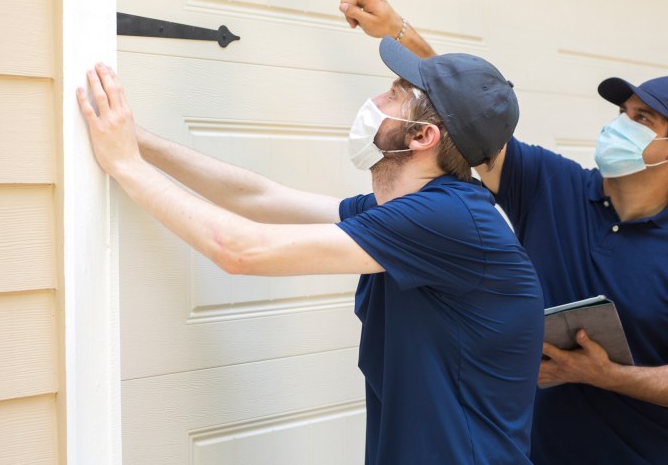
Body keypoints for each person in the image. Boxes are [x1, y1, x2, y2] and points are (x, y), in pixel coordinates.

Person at [335, 0, 668, 465]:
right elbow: (470, 111)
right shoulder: (554, 186)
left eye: (642, 120)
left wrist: (603, 374)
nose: (621, 125)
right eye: (622, 113)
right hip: (528, 451)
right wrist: (399, 31)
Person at [77, 47, 544, 464]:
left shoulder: (448, 219)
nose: (376, 102)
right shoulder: (414, 211)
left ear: (422, 136)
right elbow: (258, 198)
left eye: (395, 93)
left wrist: (125, 166)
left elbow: (242, 250)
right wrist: (138, 141)